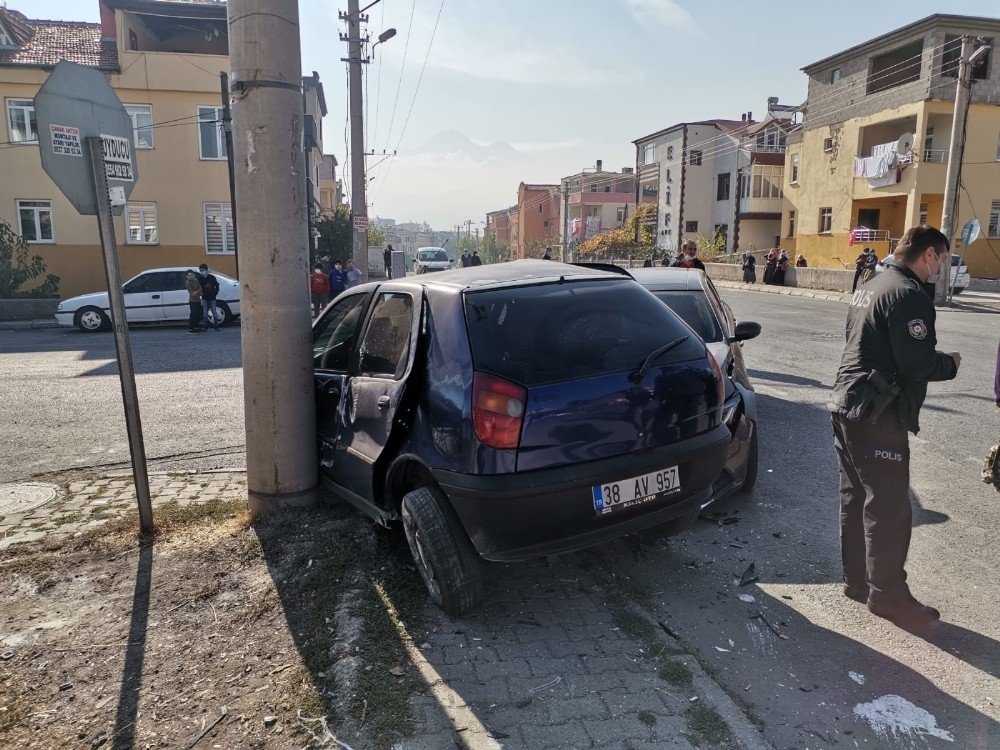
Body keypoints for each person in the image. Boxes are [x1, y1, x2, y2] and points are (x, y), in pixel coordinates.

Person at [830, 226, 960, 627]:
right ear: (930, 255)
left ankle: (859, 582)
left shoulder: (872, 283)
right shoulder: (908, 294)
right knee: (888, 507)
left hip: (847, 404)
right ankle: (888, 596)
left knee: (857, 499)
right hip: (877, 413)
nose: (940, 269)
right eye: (942, 260)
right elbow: (916, 363)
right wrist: (950, 363)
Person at [198, 263, 221, 331]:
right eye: (200, 270)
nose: (201, 272)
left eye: (203, 270)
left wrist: (215, 293)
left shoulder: (212, 277)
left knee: (214, 312)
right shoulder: (200, 279)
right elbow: (199, 288)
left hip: (212, 298)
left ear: (206, 270)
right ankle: (205, 327)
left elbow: (217, 286)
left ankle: (216, 326)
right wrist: (200, 297)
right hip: (205, 298)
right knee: (205, 313)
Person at [185, 269, 203, 334]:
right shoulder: (187, 283)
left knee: (198, 314)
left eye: (191, 275)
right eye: (188, 275)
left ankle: (196, 327)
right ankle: (190, 329)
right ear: (186, 276)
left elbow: (201, 288)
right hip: (192, 301)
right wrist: (198, 291)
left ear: (194, 275)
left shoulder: (196, 280)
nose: (190, 276)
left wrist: (197, 292)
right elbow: (192, 294)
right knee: (193, 315)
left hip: (198, 300)